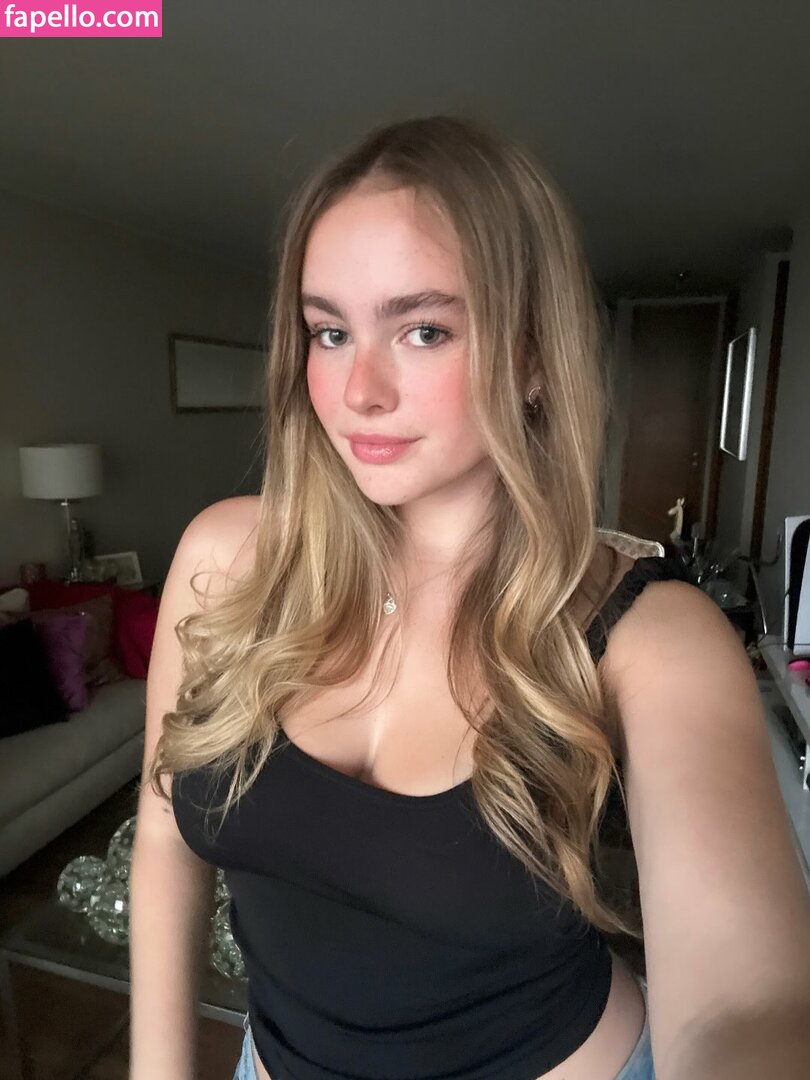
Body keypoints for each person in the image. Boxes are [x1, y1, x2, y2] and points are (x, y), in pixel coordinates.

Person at [129, 114, 810, 1080]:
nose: (359, 390)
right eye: (330, 332)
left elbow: (746, 1006)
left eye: (423, 330)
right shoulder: (224, 557)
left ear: (533, 356)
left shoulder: (651, 636)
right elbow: (165, 834)